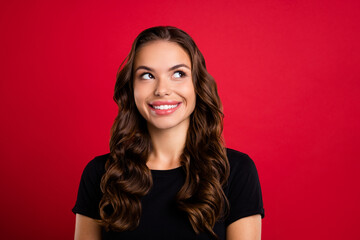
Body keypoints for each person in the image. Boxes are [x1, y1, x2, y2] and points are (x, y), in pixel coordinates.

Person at [72, 26, 265, 240]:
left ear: (197, 85)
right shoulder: (100, 174)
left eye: (178, 74)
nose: (161, 90)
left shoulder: (236, 171)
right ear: (131, 88)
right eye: (147, 75)